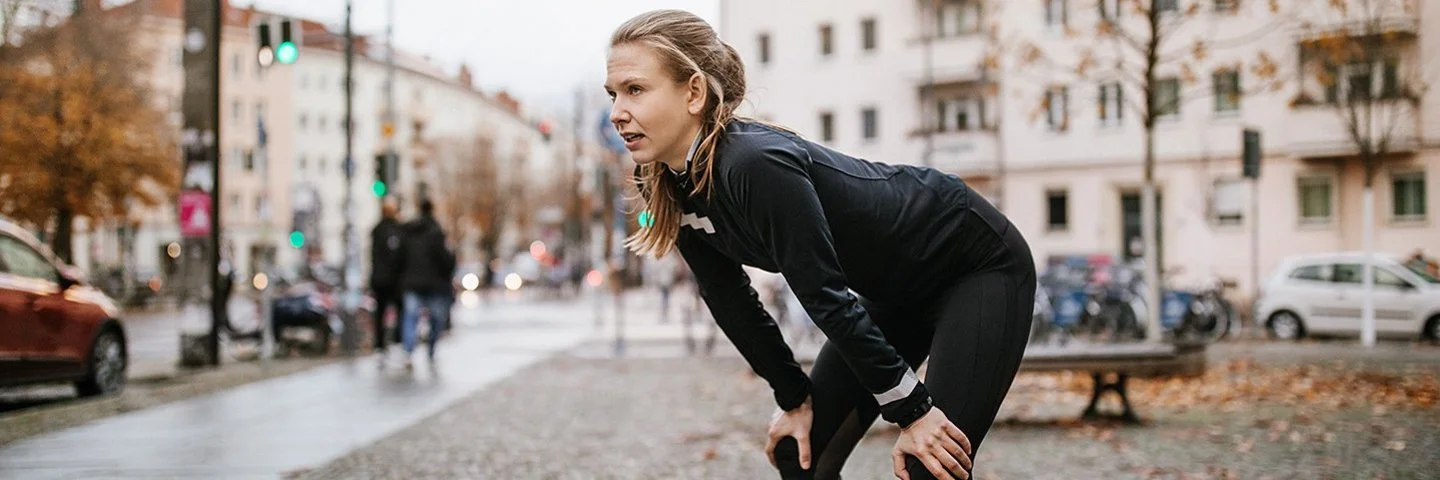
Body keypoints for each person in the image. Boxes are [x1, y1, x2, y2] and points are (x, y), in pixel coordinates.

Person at [605, 10, 1035, 480]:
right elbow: (728, 298)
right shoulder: (665, 180)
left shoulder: (753, 163)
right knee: (800, 454)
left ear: (693, 92)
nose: (617, 113)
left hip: (973, 265)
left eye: (635, 90)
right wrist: (793, 399)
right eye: (613, 95)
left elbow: (823, 296)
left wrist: (913, 411)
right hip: (896, 294)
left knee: (930, 466)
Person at [396, 199, 457, 369]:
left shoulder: (408, 231)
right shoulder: (436, 232)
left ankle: (408, 351)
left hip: (412, 283)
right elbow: (446, 260)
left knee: (410, 317)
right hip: (434, 284)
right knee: (435, 319)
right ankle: (430, 348)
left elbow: (399, 259)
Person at [369, 199, 405, 364]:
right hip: (394, 281)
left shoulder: (377, 230)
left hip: (380, 280)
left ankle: (380, 347)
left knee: (380, 314)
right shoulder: (398, 230)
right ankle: (395, 344)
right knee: (398, 312)